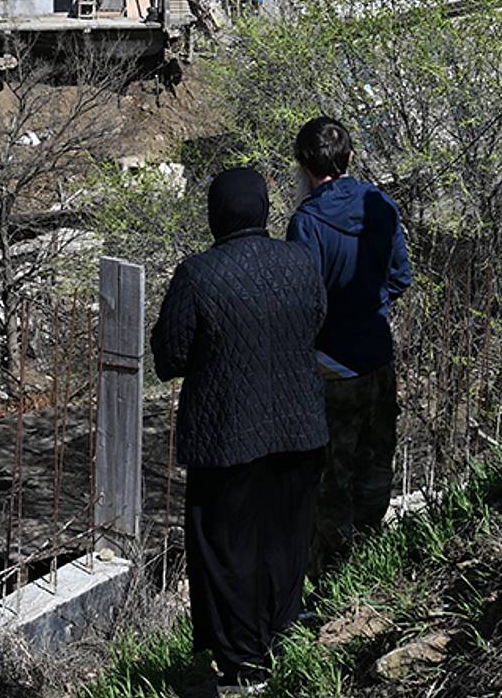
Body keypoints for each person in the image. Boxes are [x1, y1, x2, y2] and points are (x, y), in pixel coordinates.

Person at [151, 167, 327, 694]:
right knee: (284, 542)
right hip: (299, 430)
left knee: (227, 551)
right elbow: (316, 320)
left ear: (216, 213)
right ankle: (281, 642)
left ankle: (244, 664)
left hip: (227, 437)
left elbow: (170, 356)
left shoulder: (199, 274)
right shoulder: (300, 261)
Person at [286, 116, 412, 574]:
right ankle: (371, 562)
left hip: (331, 367)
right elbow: (400, 276)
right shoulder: (381, 204)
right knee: (376, 463)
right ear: (350, 158)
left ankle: (333, 576)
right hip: (378, 357)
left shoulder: (306, 223)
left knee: (331, 479)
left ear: (303, 166)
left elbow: (304, 302)